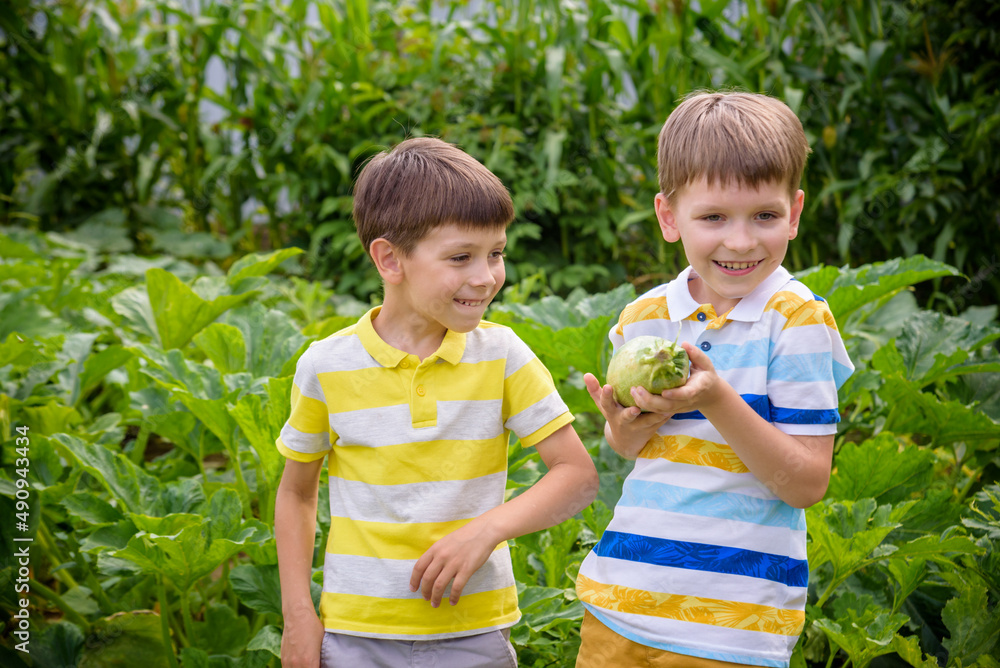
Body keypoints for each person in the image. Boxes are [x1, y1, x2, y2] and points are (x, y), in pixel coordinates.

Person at [274, 136, 600, 668]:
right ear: (389, 259)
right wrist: (298, 617)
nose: (486, 276)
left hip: (474, 635)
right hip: (356, 636)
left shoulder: (502, 355)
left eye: (496, 253)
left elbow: (578, 476)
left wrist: (487, 530)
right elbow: (296, 496)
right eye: (461, 257)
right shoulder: (326, 366)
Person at [574, 91, 855, 667]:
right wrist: (622, 424)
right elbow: (632, 448)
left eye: (765, 216)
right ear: (669, 217)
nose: (741, 240)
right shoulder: (643, 318)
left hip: (732, 625)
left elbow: (805, 484)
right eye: (713, 218)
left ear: (795, 213)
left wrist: (718, 397)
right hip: (618, 601)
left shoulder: (796, 321)